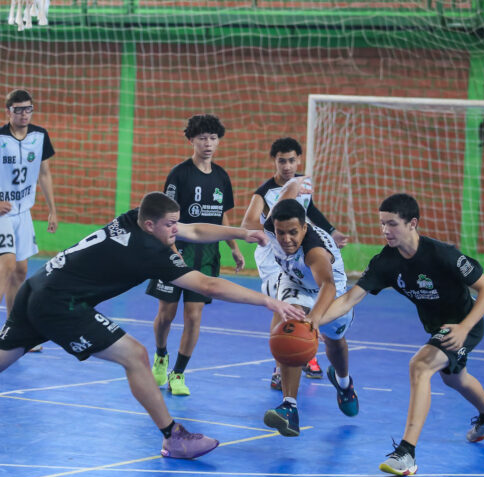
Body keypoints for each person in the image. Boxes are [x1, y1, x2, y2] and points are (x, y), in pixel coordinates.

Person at [0, 192, 305, 460]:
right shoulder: (149, 252)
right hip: (61, 303)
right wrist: (270, 301)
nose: (176, 231)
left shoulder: (133, 220)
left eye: (175, 224)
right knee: (135, 355)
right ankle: (173, 436)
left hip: (41, 286)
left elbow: (191, 228)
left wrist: (240, 232)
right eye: (169, 226)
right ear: (151, 225)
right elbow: (208, 283)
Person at [320, 193, 484, 477]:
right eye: (382, 224)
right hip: (438, 327)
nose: (385, 230)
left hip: (462, 324)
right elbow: (349, 300)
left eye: (392, 224)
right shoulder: (385, 262)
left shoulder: (443, 254)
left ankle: (406, 453)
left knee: (420, 366)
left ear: (413, 223)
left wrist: (464, 328)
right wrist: (312, 320)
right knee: (455, 378)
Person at [146, 114, 244, 396]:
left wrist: (234, 247)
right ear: (191, 140)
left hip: (208, 255)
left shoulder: (222, 176)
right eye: (202, 138)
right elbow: (167, 217)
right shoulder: (179, 174)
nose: (208, 143)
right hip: (178, 251)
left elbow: (223, 216)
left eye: (213, 138)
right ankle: (161, 355)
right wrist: (171, 250)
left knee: (194, 316)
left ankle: (178, 373)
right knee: (166, 314)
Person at [240, 137, 349, 390]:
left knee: (304, 303)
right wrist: (271, 233)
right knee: (284, 307)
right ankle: (282, 364)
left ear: (298, 160)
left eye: (291, 160)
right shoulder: (265, 192)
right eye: (282, 160)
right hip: (273, 256)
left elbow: (309, 211)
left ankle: (303, 348)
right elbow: (247, 225)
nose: (287, 165)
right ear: (274, 162)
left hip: (297, 251)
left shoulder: (304, 183)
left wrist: (331, 232)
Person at [0, 89, 58, 353]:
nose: (24, 114)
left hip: (23, 213)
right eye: (18, 109)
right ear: (8, 111)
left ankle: (14, 331)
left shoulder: (40, 136)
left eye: (28, 108)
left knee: (20, 271)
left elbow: (44, 173)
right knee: (6, 267)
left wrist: (52, 209)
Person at [260, 198, 358, 438]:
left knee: (335, 342)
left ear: (304, 228)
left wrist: (314, 317)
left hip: (331, 291)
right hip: (295, 284)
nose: (286, 239)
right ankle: (289, 407)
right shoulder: (271, 230)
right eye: (280, 232)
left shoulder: (314, 250)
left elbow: (328, 285)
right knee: (291, 332)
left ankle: (344, 384)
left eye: (293, 232)